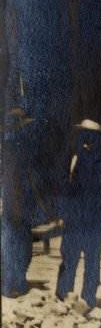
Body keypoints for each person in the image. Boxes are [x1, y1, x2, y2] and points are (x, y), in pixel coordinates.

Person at [56, 119, 101, 307]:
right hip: (90, 218)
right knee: (89, 261)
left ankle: (67, 297)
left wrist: (63, 213)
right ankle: (86, 299)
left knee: (74, 259)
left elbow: (64, 186)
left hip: (79, 218)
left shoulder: (76, 156)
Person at [1, 107, 37, 298]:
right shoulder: (10, 149)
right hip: (12, 206)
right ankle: (11, 283)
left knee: (21, 245)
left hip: (21, 205)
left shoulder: (22, 147)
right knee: (13, 245)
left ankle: (18, 280)